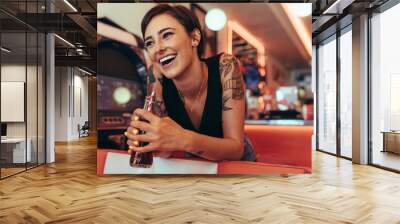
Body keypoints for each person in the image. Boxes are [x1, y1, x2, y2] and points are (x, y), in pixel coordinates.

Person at [124, 4, 256, 161]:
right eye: (150, 43)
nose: (158, 48)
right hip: (196, 164)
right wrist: (153, 143)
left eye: (167, 35)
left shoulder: (226, 65)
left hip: (237, 166)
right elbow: (166, 151)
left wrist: (183, 139)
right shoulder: (156, 73)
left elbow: (235, 149)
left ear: (194, 38)